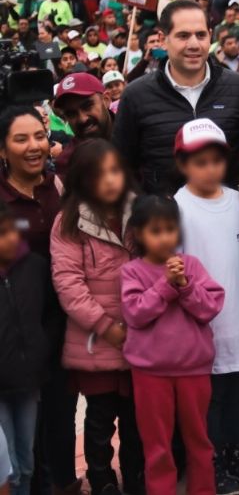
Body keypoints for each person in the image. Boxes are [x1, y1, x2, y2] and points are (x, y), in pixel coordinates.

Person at [171, 119, 239, 494]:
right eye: (199, 161)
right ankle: (212, 465)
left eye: (216, 160)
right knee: (209, 402)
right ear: (183, 164)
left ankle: (238, 457)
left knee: (238, 393)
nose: (209, 168)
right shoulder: (178, 207)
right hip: (203, 328)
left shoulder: (235, 202)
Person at [49, 140, 145, 495]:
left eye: (114, 171)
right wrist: (106, 327)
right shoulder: (69, 222)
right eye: (97, 174)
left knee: (137, 417)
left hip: (140, 337)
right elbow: (68, 283)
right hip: (97, 341)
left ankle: (136, 474)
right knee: (101, 416)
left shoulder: (140, 213)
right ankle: (102, 476)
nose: (108, 181)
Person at [0, 106, 81, 494]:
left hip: (63, 324)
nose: (33, 146)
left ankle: (62, 483)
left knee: (60, 415)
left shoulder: (60, 188)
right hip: (15, 332)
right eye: (20, 138)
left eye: (38, 136)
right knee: (23, 431)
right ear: (2, 149)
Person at [120, 195, 225, 495]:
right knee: (158, 446)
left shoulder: (191, 266)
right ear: (139, 234)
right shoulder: (132, 271)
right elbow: (135, 314)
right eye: (155, 231)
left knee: (199, 441)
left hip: (194, 369)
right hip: (150, 374)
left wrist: (185, 285)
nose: (164, 237)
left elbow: (209, 308)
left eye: (170, 229)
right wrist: (166, 285)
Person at [113, 0, 239, 195]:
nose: (193, 44)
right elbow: (123, 166)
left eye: (200, 35)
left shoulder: (238, 87)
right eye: (183, 36)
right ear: (163, 39)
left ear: (210, 36)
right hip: (164, 221)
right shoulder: (135, 95)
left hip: (229, 219)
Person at [0, 199, 55, 495]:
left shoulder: (35, 266)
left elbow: (51, 313)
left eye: (12, 230)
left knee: (27, 459)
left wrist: (41, 348)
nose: (10, 238)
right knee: (7, 468)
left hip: (29, 379)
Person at [52, 73, 115, 176]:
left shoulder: (135, 133)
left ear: (106, 100)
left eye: (87, 106)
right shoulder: (68, 163)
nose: (82, 119)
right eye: (71, 113)